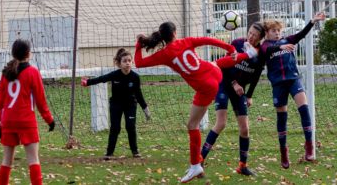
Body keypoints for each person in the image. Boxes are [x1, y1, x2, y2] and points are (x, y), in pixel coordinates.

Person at [134, 21, 258, 183]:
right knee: (215, 64)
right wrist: (230, 49)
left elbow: (139, 63)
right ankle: (248, 55)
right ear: (175, 33)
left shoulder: (164, 54)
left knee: (192, 125)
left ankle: (195, 165)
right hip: (214, 73)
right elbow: (209, 40)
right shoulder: (185, 41)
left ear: (164, 38)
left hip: (206, 87)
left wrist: (138, 44)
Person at [261, 12, 325, 169]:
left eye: (278, 30)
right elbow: (268, 51)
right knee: (282, 117)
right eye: (273, 30)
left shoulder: (287, 40)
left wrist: (312, 21)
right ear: (267, 32)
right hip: (278, 85)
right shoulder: (265, 46)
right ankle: (283, 151)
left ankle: (309, 145)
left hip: (293, 79)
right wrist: (280, 47)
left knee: (304, 108)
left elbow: (301, 35)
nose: (277, 33)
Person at [200, 22, 266, 176]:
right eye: (249, 32)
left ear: (260, 38)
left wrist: (249, 95)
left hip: (239, 91)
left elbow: (256, 77)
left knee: (245, 128)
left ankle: (242, 166)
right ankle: (199, 160)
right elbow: (225, 66)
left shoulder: (260, 55)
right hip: (224, 83)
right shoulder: (237, 44)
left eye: (254, 35)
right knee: (221, 123)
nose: (250, 36)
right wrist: (235, 83)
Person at [0, 39, 55, 185]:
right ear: (29, 54)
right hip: (26, 121)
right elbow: (41, 101)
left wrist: (0, 125)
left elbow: (1, 103)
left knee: (6, 160)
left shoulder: (5, 73)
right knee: (33, 159)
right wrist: (49, 119)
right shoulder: (32, 72)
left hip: (8, 121)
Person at [81, 48, 151, 160]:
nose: (127, 63)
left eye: (129, 60)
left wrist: (145, 109)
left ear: (132, 62)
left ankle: (135, 151)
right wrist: (87, 82)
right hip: (116, 104)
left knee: (130, 126)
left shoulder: (135, 77)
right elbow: (102, 79)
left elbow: (138, 94)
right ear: (119, 63)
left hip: (130, 105)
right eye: (125, 61)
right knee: (115, 128)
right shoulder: (115, 75)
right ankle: (109, 153)